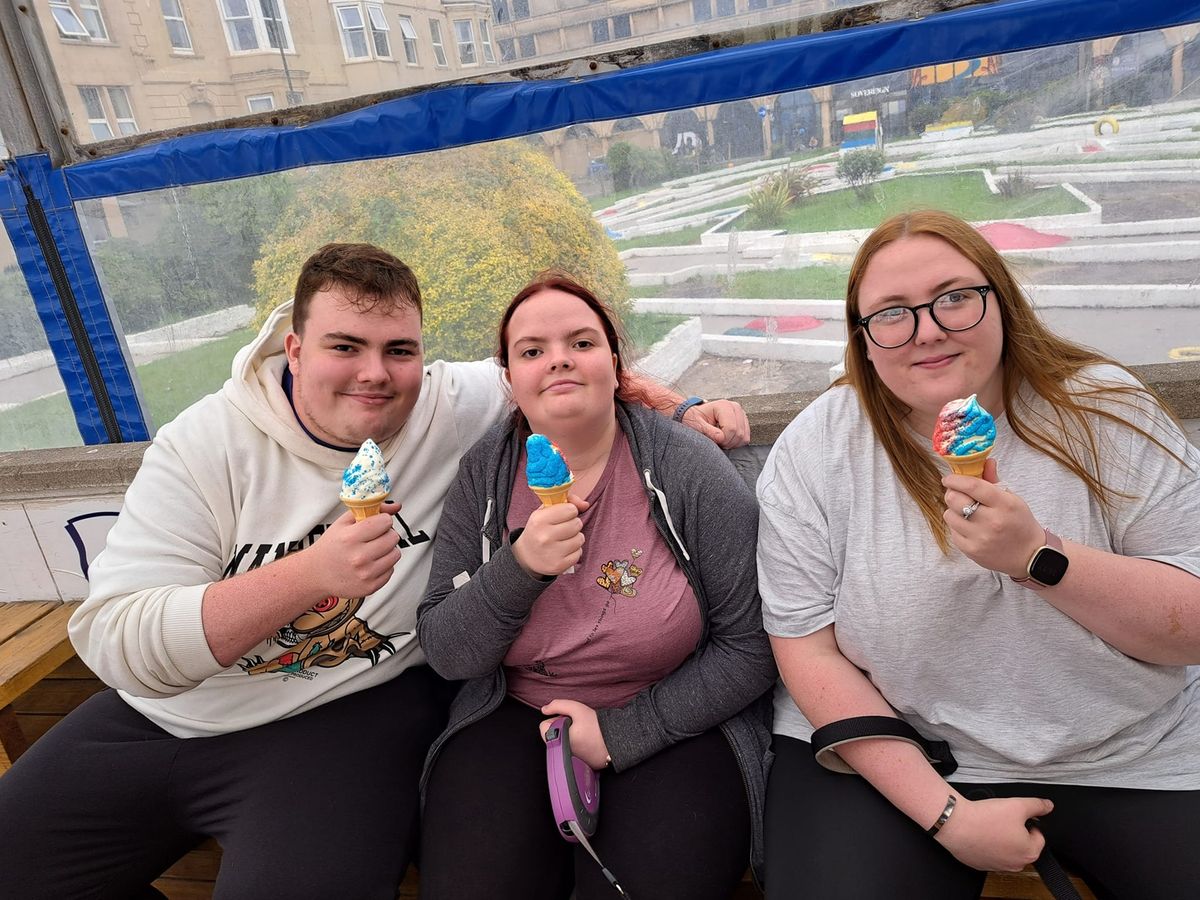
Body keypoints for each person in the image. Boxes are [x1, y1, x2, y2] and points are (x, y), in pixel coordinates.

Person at [0, 243, 750, 898]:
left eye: (399, 350)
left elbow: (571, 371)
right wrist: (310, 574)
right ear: (293, 349)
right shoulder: (203, 446)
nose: (375, 375)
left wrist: (682, 407)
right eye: (344, 347)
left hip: (343, 709)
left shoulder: (448, 407)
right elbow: (113, 640)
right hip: (167, 715)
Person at [757, 210, 1200, 899]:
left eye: (954, 297)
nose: (928, 329)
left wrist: (1039, 558)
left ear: (1001, 299)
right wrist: (948, 815)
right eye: (892, 314)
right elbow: (806, 648)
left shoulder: (1108, 411)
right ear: (863, 341)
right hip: (904, 751)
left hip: (1130, 752)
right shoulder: (817, 450)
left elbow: (1192, 626)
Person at [415, 272, 777, 899]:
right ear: (511, 379)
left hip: (675, 711)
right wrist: (519, 567)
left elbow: (753, 645)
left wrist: (623, 733)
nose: (557, 359)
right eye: (531, 351)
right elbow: (448, 652)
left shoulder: (688, 468)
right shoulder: (486, 475)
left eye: (580, 343)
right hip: (517, 709)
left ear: (616, 364)